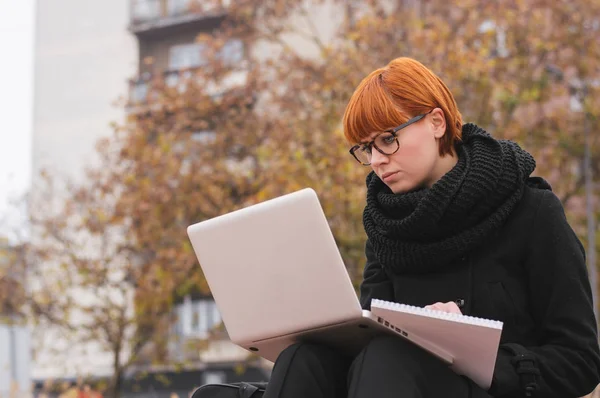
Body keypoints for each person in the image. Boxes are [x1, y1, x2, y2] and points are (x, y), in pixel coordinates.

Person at [262, 57, 600, 398]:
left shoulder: (531, 210)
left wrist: (471, 353)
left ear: (436, 122)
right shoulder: (386, 227)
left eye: (387, 139)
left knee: (390, 357)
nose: (377, 159)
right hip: (390, 384)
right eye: (365, 148)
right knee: (303, 358)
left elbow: (580, 360)